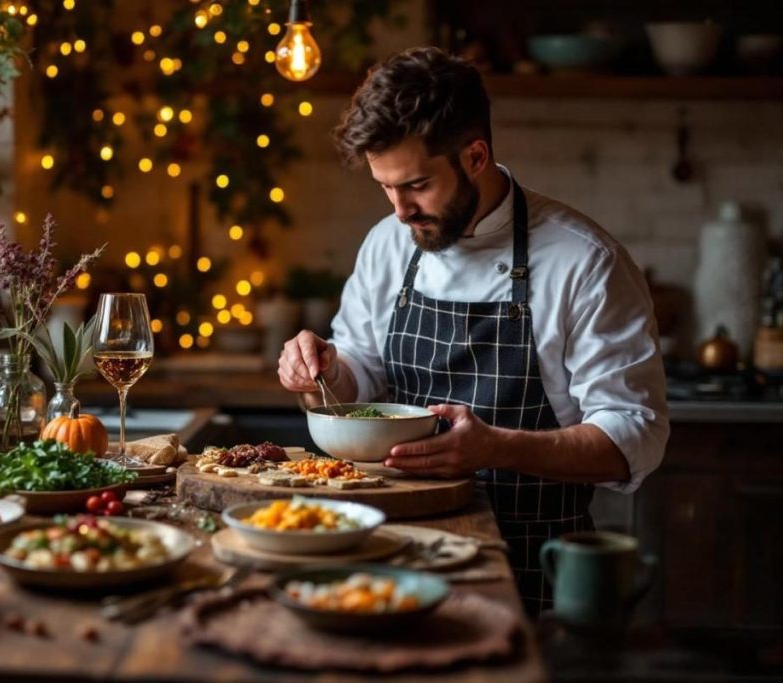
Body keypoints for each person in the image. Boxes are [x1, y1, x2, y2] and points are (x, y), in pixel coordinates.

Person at [277, 47, 669, 616]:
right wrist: (323, 372)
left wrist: (495, 448)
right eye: (384, 188)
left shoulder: (584, 262)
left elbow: (635, 436)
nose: (400, 211)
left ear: (476, 155)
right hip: (394, 553)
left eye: (415, 185)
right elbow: (360, 371)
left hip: (529, 566)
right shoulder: (388, 243)